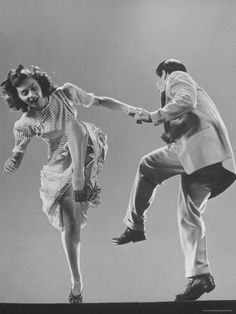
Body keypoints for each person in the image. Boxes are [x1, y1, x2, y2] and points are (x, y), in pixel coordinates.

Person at [1, 64, 134, 303]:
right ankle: (76, 281)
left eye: (33, 88)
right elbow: (18, 152)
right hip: (59, 163)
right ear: (18, 97)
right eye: (25, 93)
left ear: (40, 83)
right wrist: (13, 160)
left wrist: (129, 109)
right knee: (69, 223)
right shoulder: (25, 123)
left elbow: (100, 101)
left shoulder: (65, 93)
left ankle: (80, 179)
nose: (32, 94)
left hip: (85, 146)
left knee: (73, 126)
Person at [112, 59, 236, 301]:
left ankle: (135, 226)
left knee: (147, 166)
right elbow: (190, 112)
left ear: (163, 73)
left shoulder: (177, 77)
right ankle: (200, 276)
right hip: (213, 161)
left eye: (157, 80)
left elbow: (186, 101)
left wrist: (153, 115)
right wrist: (169, 133)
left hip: (201, 151)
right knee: (189, 215)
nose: (158, 86)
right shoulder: (190, 91)